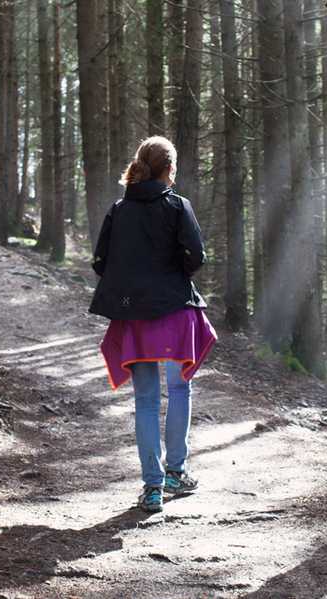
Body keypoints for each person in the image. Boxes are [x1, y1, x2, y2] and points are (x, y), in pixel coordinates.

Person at [89, 136, 217, 513]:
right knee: (179, 391)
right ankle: (176, 472)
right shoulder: (178, 206)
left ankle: (153, 488)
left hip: (134, 315)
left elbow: (100, 263)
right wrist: (173, 275)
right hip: (175, 308)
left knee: (145, 400)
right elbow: (197, 256)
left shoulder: (118, 209)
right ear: (169, 170)